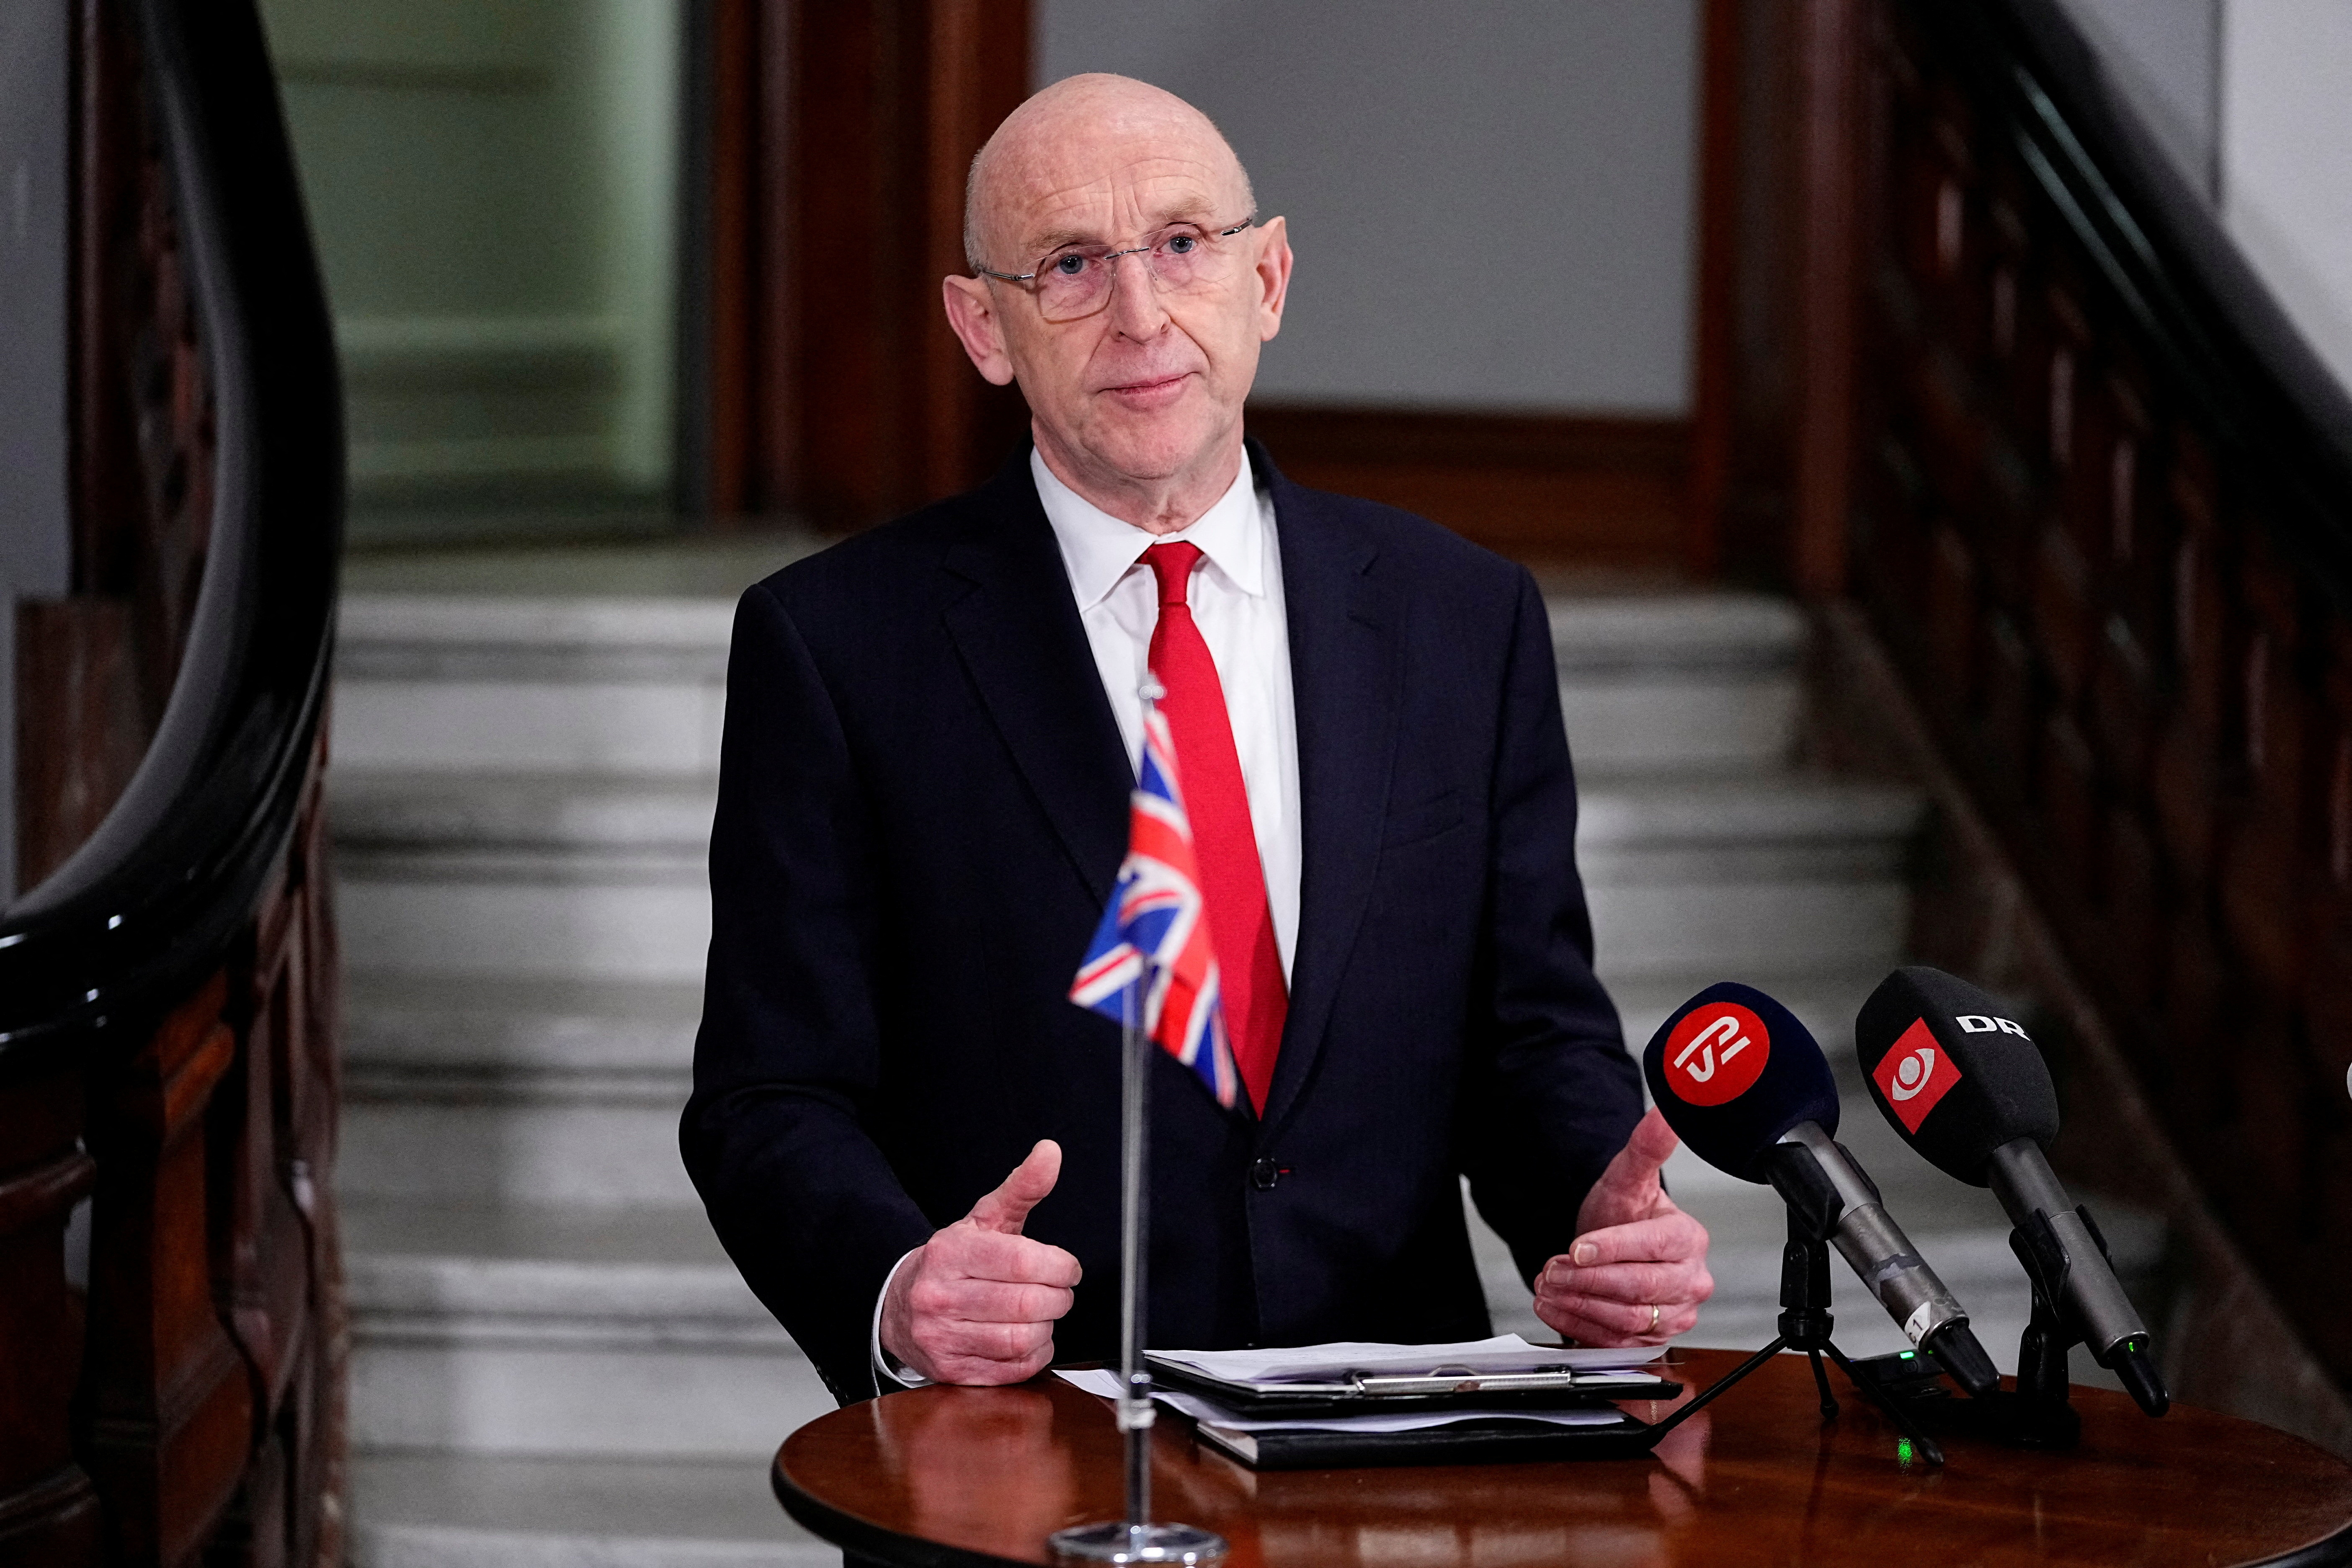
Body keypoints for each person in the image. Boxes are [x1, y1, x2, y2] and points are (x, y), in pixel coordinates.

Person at [682, 73, 1712, 1402]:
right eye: (1068, 265)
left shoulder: (1462, 616)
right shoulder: (833, 645)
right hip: (1032, 1438)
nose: (1140, 312)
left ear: (1268, 281)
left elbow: (1532, 1036)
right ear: (982, 327)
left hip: (1393, 1433)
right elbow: (767, 1098)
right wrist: (901, 1284)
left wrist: (1593, 1218)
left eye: (1182, 245)